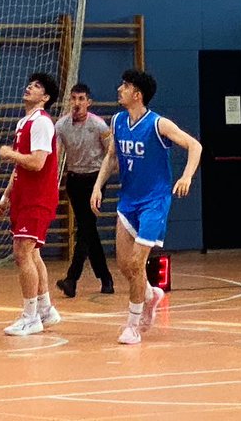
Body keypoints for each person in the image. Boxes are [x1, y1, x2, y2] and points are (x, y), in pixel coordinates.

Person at [91, 69, 201, 345]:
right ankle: (151, 295)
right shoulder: (118, 121)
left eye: (125, 86)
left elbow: (194, 146)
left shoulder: (158, 124)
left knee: (137, 263)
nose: (120, 89)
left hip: (154, 202)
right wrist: (98, 186)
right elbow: (112, 156)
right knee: (124, 265)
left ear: (137, 94)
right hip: (128, 201)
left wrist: (186, 176)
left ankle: (133, 325)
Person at [0, 73, 63, 336]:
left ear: (45, 97)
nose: (29, 87)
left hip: (38, 197)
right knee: (33, 253)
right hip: (24, 195)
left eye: (36, 87)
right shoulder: (24, 122)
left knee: (22, 253)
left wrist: (10, 153)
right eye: (30, 84)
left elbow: (37, 162)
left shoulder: (42, 122)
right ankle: (45, 309)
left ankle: (30, 317)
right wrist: (6, 196)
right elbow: (20, 169)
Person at [55, 84, 115, 297]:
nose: (76, 103)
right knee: (88, 230)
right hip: (74, 180)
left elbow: (111, 153)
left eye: (81, 99)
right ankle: (106, 278)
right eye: (73, 98)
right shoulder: (61, 125)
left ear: (88, 102)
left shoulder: (98, 125)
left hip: (94, 180)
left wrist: (104, 178)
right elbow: (56, 156)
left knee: (85, 228)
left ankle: (72, 279)